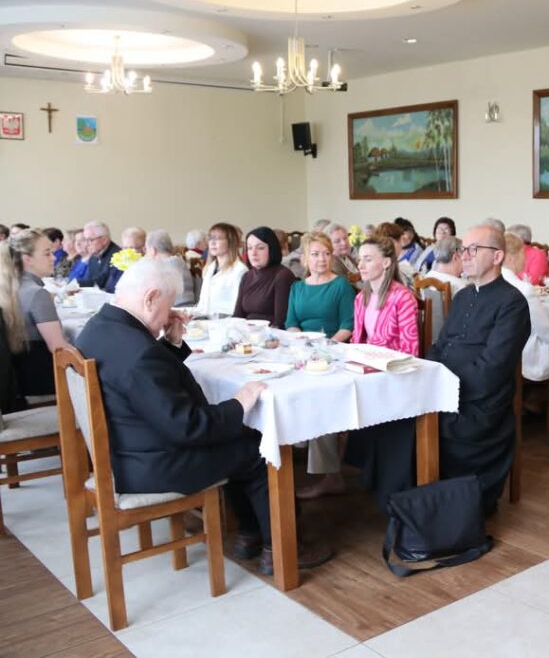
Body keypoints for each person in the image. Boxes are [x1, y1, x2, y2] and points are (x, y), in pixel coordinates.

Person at [75, 258, 331, 575]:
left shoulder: (97, 328)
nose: (168, 316)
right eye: (167, 306)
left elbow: (143, 387)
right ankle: (282, 548)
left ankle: (250, 535)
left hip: (125, 452)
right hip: (154, 465)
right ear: (150, 297)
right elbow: (188, 426)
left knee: (237, 434)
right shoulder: (139, 351)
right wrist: (239, 403)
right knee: (261, 447)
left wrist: (170, 343)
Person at [302, 235, 419, 501]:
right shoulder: (362, 297)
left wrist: (373, 361)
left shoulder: (402, 298)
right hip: (368, 371)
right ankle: (333, 472)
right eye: (360, 259)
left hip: (393, 375)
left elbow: (410, 351)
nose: (360, 265)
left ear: (386, 263)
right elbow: (357, 342)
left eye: (367, 259)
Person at [427, 225, 530, 514]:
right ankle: (409, 501)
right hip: (443, 391)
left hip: (479, 402)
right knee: (395, 421)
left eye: (474, 249)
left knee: (427, 425)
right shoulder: (462, 296)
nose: (465, 255)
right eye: (463, 250)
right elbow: (440, 345)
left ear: (497, 256)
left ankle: (442, 504)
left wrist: (446, 387)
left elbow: (492, 368)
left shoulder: (512, 303)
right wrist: (429, 374)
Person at [0, 229, 71, 397]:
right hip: (41, 381)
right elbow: (59, 349)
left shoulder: (7, 287)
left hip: (17, 380)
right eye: (47, 254)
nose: (54, 258)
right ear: (27, 260)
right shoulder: (36, 293)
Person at [501, 233, 549, 383]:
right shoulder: (524, 290)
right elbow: (544, 329)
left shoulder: (491, 283)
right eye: (523, 253)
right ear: (510, 258)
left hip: (499, 353)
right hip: (523, 356)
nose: (526, 258)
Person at [285, 231, 355, 342]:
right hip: (302, 345)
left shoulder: (341, 285)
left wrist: (327, 345)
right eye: (315, 254)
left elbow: (348, 325)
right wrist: (302, 342)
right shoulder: (297, 288)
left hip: (333, 345)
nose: (322, 259)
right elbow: (291, 323)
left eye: (327, 253)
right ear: (305, 258)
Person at [234, 226, 294, 328]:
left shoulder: (283, 275)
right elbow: (238, 316)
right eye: (249, 248)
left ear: (272, 249)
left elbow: (280, 321)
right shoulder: (247, 276)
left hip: (270, 333)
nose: (253, 253)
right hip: (246, 332)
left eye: (260, 248)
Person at [194, 222, 247, 317]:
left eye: (218, 238)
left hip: (226, 323)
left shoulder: (240, 271)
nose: (212, 243)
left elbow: (236, 309)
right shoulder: (211, 268)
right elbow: (202, 304)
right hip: (205, 321)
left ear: (230, 242)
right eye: (210, 238)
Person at [144, 229, 194, 306]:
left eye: (146, 250)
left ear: (153, 250)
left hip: (175, 308)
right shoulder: (179, 261)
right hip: (188, 305)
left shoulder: (162, 266)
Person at [102, 227, 146, 293]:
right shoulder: (118, 264)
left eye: (132, 248)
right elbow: (109, 287)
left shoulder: (148, 268)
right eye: (125, 248)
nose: (127, 252)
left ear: (144, 249)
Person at [78, 221, 120, 289]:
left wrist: (75, 283)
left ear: (104, 240)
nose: (87, 244)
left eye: (90, 240)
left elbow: (101, 282)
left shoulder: (117, 256)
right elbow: (89, 280)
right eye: (85, 240)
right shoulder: (93, 257)